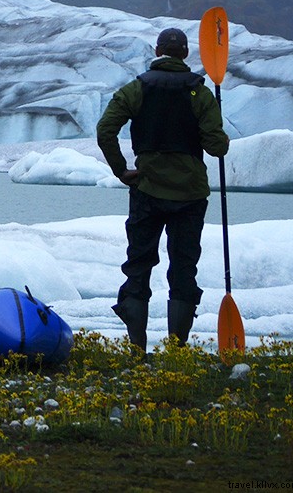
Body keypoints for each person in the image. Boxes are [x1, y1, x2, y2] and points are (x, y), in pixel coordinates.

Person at [96, 27, 230, 352]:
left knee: (139, 264)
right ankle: (176, 350)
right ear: (185, 54)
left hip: (147, 191)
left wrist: (122, 170)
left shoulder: (137, 89)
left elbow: (105, 129)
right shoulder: (200, 92)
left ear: (157, 52)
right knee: (183, 267)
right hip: (190, 196)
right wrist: (221, 139)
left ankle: (137, 347)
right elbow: (215, 147)